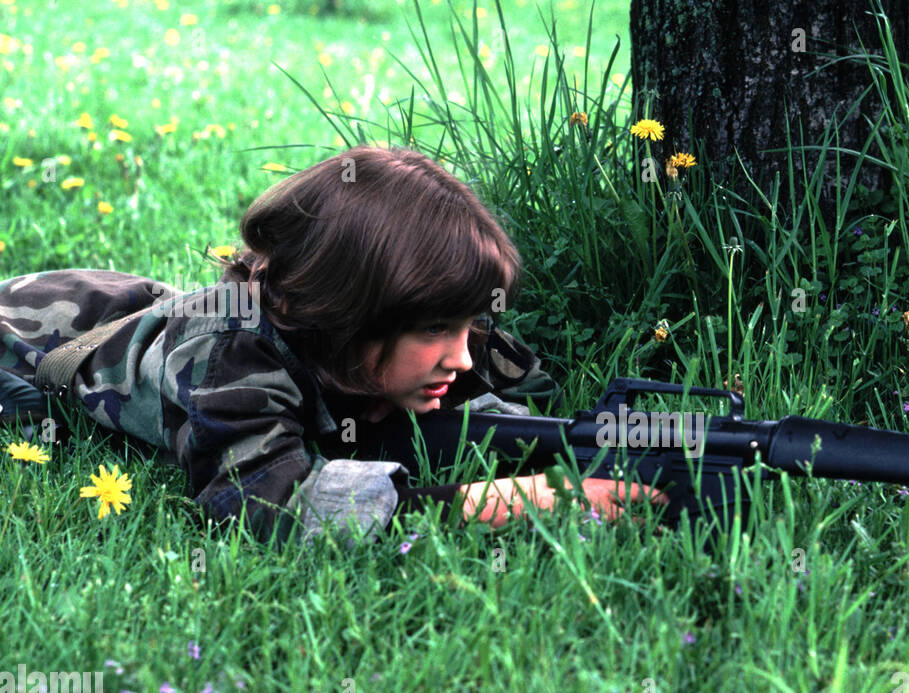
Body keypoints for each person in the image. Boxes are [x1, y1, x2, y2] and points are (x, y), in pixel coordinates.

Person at [0, 144, 665, 543]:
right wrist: (508, 502)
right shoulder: (228, 357)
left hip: (126, 302)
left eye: (468, 326)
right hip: (24, 342)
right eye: (437, 331)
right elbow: (261, 506)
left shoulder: (403, 337)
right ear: (344, 317)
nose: (463, 355)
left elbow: (525, 398)